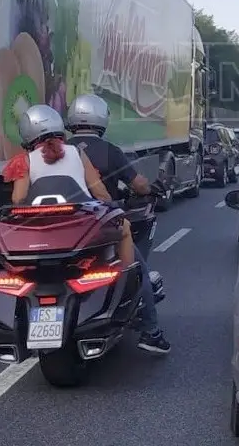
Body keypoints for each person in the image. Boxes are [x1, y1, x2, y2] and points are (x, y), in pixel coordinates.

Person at [2, 103, 169, 355]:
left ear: (26, 134)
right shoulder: (77, 153)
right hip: (77, 230)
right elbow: (99, 191)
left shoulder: (23, 160)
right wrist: (108, 206)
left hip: (40, 234)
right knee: (125, 231)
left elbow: (18, 199)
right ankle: (127, 280)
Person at [65, 93, 170, 355]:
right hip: (100, 225)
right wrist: (149, 189)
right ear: (101, 118)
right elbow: (138, 184)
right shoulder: (109, 151)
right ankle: (151, 331)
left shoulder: (60, 149)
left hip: (62, 228)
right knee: (137, 269)